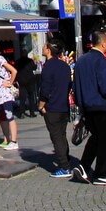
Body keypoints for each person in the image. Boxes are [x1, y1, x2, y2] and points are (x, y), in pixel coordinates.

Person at [71, 31, 106, 186]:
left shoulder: (81, 60)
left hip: (86, 105)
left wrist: (80, 104)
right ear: (103, 43)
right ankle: (100, 174)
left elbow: (75, 85)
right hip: (100, 105)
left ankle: (83, 166)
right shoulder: (101, 60)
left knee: (96, 138)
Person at [38, 41, 73, 178]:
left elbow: (45, 89)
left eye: (44, 46)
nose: (42, 47)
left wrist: (41, 105)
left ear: (48, 50)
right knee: (62, 135)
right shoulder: (65, 66)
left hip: (52, 107)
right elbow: (69, 85)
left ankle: (64, 167)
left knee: (56, 137)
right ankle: (66, 160)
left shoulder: (48, 66)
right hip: (63, 105)